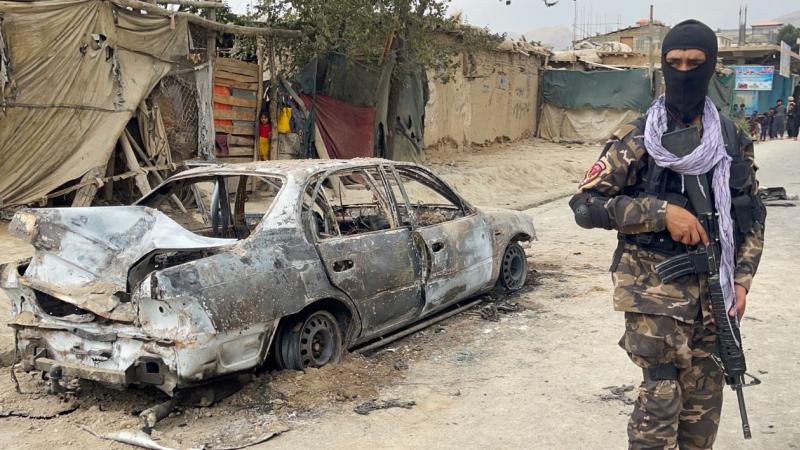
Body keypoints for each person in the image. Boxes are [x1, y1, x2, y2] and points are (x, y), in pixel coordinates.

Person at [569, 19, 766, 449]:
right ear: (662, 65)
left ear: (711, 66)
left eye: (695, 63)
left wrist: (743, 280)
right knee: (660, 403)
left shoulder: (731, 139)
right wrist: (660, 213)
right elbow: (584, 207)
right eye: (674, 62)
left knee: (701, 415)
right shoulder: (637, 137)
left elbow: (751, 216)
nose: (684, 71)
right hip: (652, 292)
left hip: (715, 295)